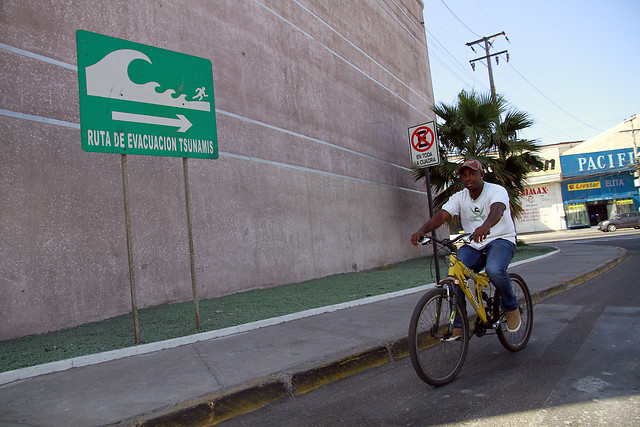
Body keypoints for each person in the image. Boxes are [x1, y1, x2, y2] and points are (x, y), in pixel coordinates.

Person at [410, 159, 521, 337]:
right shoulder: (460, 197)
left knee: (494, 269)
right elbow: (442, 215)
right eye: (464, 175)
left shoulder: (496, 190)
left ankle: (511, 307)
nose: (468, 178)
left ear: (482, 174)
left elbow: (498, 209)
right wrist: (422, 230)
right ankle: (460, 325)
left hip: (501, 240)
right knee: (454, 278)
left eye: (472, 173)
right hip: (474, 244)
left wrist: (486, 226)